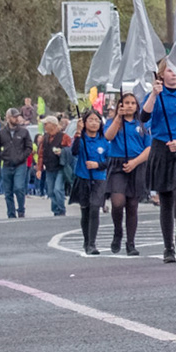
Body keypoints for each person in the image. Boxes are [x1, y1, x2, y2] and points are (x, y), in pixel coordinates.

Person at [140, 61, 176, 263]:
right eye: (170, 70)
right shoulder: (155, 95)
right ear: (161, 74)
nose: (174, 74)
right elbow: (144, 116)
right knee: (166, 199)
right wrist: (154, 95)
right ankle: (168, 246)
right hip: (161, 148)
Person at [102, 93, 150, 255]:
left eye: (132, 103)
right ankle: (117, 231)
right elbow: (108, 136)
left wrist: (135, 162)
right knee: (118, 202)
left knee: (132, 205)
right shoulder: (112, 121)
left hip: (137, 163)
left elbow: (149, 148)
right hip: (117, 163)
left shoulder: (142, 124)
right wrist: (118, 118)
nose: (129, 106)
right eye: (126, 103)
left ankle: (131, 243)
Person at [70, 109, 109, 255]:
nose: (94, 123)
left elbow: (109, 161)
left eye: (97, 120)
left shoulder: (104, 141)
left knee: (94, 208)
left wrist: (97, 165)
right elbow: (74, 152)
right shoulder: (81, 139)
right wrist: (78, 133)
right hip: (83, 177)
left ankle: (92, 243)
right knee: (85, 210)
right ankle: (86, 241)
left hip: (99, 179)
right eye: (90, 120)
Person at [0, 108, 34, 219]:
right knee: (8, 191)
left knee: (19, 188)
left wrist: (22, 157)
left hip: (20, 164)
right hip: (6, 164)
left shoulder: (24, 132)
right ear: (8, 118)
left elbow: (29, 147)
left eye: (17, 116)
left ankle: (21, 209)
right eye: (14, 117)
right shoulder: (1, 133)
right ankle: (11, 213)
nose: (16, 118)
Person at [38, 118, 68, 217]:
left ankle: (61, 209)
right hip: (49, 168)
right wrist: (39, 169)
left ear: (53, 125)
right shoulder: (45, 138)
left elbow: (70, 150)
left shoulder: (64, 137)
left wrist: (62, 152)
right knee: (50, 191)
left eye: (46, 124)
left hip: (60, 167)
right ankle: (55, 210)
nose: (44, 126)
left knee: (58, 189)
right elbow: (41, 154)